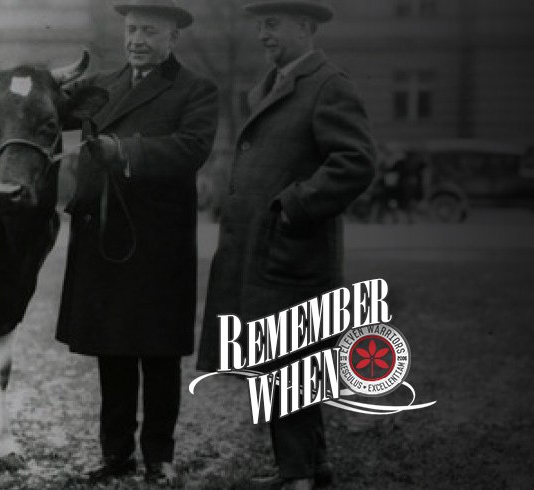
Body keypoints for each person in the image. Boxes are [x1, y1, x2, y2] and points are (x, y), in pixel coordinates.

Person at [196, 1, 377, 489]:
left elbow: (356, 163)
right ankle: (312, 467)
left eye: (272, 25)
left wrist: (294, 205)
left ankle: (296, 475)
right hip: (266, 251)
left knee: (290, 360)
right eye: (259, 25)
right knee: (285, 359)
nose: (262, 35)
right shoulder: (276, 84)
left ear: (305, 26)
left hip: (293, 249)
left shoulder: (328, 85)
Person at [55, 0, 219, 485]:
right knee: (113, 349)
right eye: (131, 30)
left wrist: (124, 151)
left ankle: (158, 455)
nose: (136, 40)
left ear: (173, 38)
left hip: (158, 243)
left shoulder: (195, 90)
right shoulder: (103, 87)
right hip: (105, 236)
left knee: (159, 352)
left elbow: (191, 149)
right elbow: (50, 111)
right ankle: (116, 454)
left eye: (148, 31)